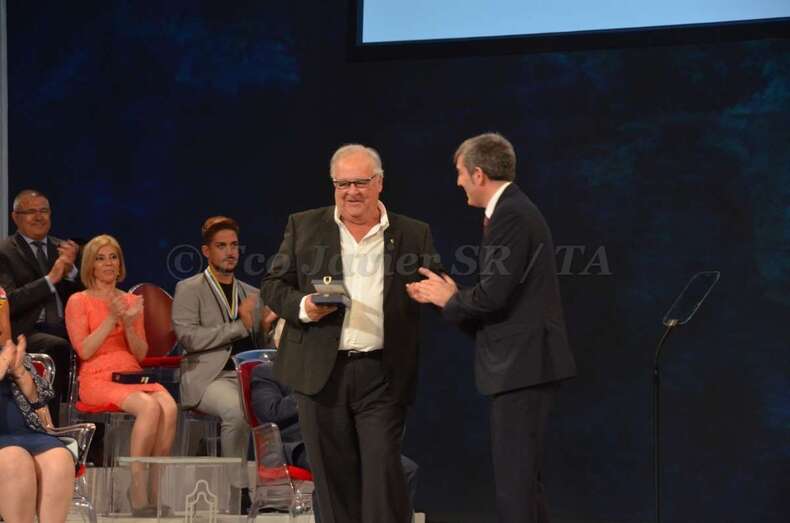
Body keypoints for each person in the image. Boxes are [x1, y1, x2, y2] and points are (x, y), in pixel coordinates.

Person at [261, 144, 442, 523]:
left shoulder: (413, 233)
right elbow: (274, 285)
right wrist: (303, 307)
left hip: (382, 374)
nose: (351, 192)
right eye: (342, 183)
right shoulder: (304, 225)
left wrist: (430, 293)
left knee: (383, 475)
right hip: (319, 373)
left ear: (379, 183)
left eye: (360, 182)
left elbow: (432, 282)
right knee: (333, 482)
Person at [407, 133, 577, 523]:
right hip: (525, 365)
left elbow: (494, 296)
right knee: (524, 484)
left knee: (515, 486)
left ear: (478, 174)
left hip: (524, 365)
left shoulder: (512, 215)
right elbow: (498, 293)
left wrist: (448, 299)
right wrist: (454, 298)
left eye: (460, 174)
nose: (458, 182)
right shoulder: (513, 210)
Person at [64, 235, 177, 515]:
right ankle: (137, 492)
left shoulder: (130, 300)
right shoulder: (78, 301)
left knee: (170, 407)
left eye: (113, 257)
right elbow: (85, 350)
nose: (108, 264)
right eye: (101, 258)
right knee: (149, 407)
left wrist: (128, 323)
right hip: (96, 376)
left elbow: (139, 353)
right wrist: (112, 319)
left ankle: (155, 492)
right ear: (90, 265)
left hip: (130, 373)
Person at [172, 216, 276, 510]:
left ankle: (276, 489)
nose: (230, 252)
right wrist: (240, 326)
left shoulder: (252, 293)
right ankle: (237, 491)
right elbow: (189, 338)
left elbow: (262, 346)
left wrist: (268, 329)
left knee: (286, 407)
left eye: (234, 246)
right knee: (236, 411)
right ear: (206, 251)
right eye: (221, 246)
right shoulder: (189, 288)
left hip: (249, 377)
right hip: (208, 378)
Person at [249, 350, 419, 522]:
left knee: (406, 468)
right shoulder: (267, 372)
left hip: (339, 436)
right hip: (296, 444)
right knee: (335, 466)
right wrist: (309, 392)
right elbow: (270, 412)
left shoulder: (327, 370)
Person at [0, 189, 82, 424]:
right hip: (26, 332)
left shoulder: (62, 249)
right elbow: (10, 302)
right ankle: (50, 426)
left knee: (97, 350)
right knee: (57, 347)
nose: (39, 217)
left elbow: (84, 295)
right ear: (15, 217)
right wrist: (52, 278)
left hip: (69, 327)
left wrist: (72, 271)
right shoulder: (5, 252)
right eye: (31, 211)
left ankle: (94, 440)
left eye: (44, 211)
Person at [0, 287, 76, 523]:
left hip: (28, 433)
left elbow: (40, 403)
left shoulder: (13, 353)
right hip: (5, 443)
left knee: (60, 459)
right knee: (15, 459)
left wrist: (20, 371)